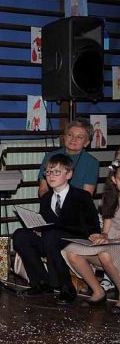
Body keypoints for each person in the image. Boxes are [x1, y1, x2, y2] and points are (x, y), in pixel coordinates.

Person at [13, 153, 100, 305]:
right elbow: (45, 222)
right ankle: (41, 282)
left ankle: (66, 286)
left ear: (69, 174)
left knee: (51, 235)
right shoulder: (46, 198)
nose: (51, 176)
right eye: (48, 172)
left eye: (56, 172)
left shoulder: (82, 196)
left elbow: (93, 225)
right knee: (20, 235)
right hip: (52, 238)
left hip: (74, 237)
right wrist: (37, 227)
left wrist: (94, 234)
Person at [62, 157, 120, 314]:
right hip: (111, 243)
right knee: (71, 251)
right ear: (114, 180)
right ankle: (98, 291)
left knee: (105, 255)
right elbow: (107, 227)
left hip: (115, 245)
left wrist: (110, 240)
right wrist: (101, 235)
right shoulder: (111, 197)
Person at [37, 119, 99, 197]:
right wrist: (52, 202)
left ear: (86, 143)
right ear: (64, 137)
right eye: (70, 135)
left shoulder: (91, 163)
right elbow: (43, 189)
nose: (73, 139)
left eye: (79, 137)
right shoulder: (50, 157)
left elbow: (87, 195)